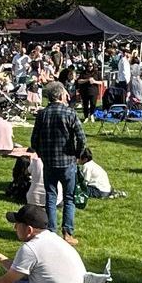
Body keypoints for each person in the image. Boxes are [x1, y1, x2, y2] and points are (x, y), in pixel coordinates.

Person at [31, 81, 86, 244]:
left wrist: (42, 154)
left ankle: (51, 231)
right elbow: (82, 138)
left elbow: (34, 140)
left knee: (51, 196)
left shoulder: (42, 114)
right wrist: (77, 154)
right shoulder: (70, 113)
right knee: (69, 197)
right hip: (67, 161)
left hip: (49, 162)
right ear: (61, 95)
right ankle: (67, 233)